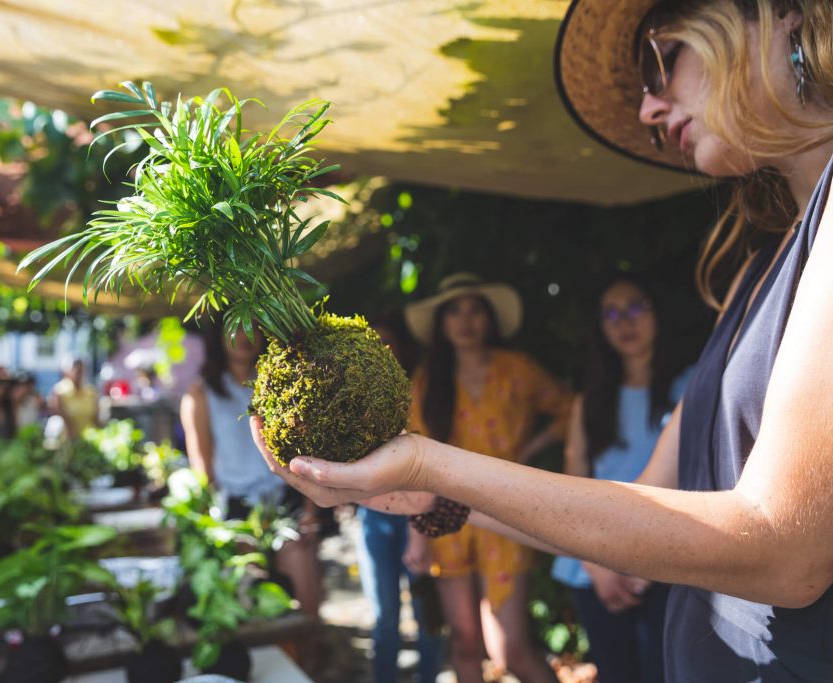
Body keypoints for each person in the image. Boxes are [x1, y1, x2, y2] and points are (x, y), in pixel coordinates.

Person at [252, 1, 833, 680]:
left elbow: (782, 553)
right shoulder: (761, 267)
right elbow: (648, 509)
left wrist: (427, 464)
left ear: (782, 14)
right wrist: (431, 496)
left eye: (657, 63)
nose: (648, 111)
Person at [402, 273, 572, 683]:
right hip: (445, 516)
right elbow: (414, 455)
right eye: (455, 311)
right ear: (442, 323)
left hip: (507, 512)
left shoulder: (517, 369)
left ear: (490, 318)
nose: (466, 320)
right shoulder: (428, 380)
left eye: (475, 309)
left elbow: (570, 409)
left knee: (510, 650)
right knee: (462, 643)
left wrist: (528, 450)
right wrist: (418, 534)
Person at [551, 275, 691, 683]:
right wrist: (594, 562)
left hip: (672, 561)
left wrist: (648, 564)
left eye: (634, 306)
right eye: (611, 313)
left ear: (656, 310)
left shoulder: (693, 385)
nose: (624, 322)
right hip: (595, 562)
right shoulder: (589, 402)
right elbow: (571, 486)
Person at [180, 319, 323, 618]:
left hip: (284, 499)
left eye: (253, 327)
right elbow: (203, 468)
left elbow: (303, 450)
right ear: (218, 336)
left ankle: (309, 657)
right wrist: (212, 528)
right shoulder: (201, 394)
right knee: (250, 602)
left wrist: (311, 507)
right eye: (234, 327)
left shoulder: (278, 384)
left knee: (306, 600)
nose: (245, 336)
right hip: (236, 509)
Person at [356, 311, 442, 683]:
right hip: (375, 514)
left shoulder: (418, 389)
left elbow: (433, 456)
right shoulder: (354, 395)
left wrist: (421, 527)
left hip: (417, 511)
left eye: (387, 342)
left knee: (425, 607)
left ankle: (428, 675)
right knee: (385, 611)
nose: (381, 350)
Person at [48, 358, 100, 439]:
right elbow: (58, 413)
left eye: (81, 370)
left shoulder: (91, 391)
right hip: (66, 436)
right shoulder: (59, 391)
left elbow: (95, 416)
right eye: (76, 370)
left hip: (88, 435)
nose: (79, 374)